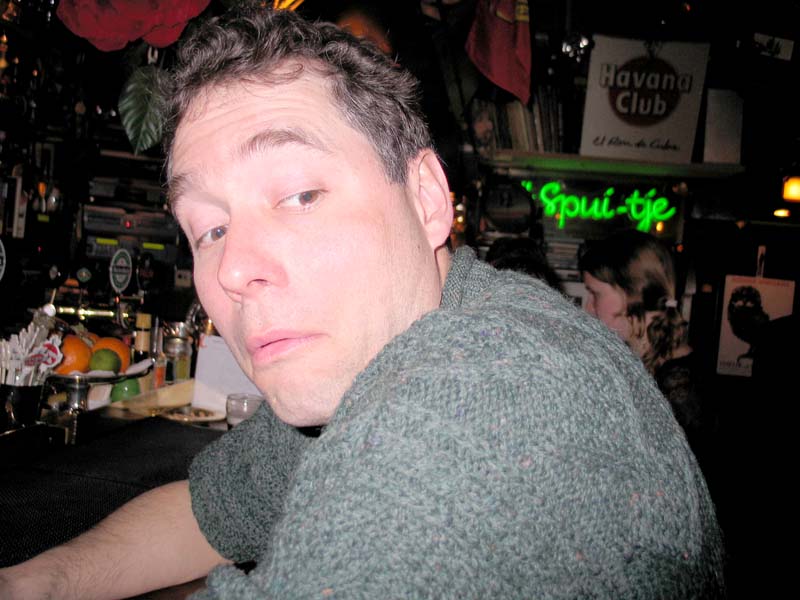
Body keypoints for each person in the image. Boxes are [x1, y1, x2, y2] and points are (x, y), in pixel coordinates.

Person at [0, 6, 724, 599]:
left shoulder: (482, 397)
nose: (235, 269)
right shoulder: (386, 346)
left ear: (427, 199)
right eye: (210, 229)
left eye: (299, 195)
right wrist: (41, 582)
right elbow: (208, 513)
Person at [578, 229, 710, 464]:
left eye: (595, 294)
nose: (588, 307)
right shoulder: (652, 366)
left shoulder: (679, 389)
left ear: (634, 294)